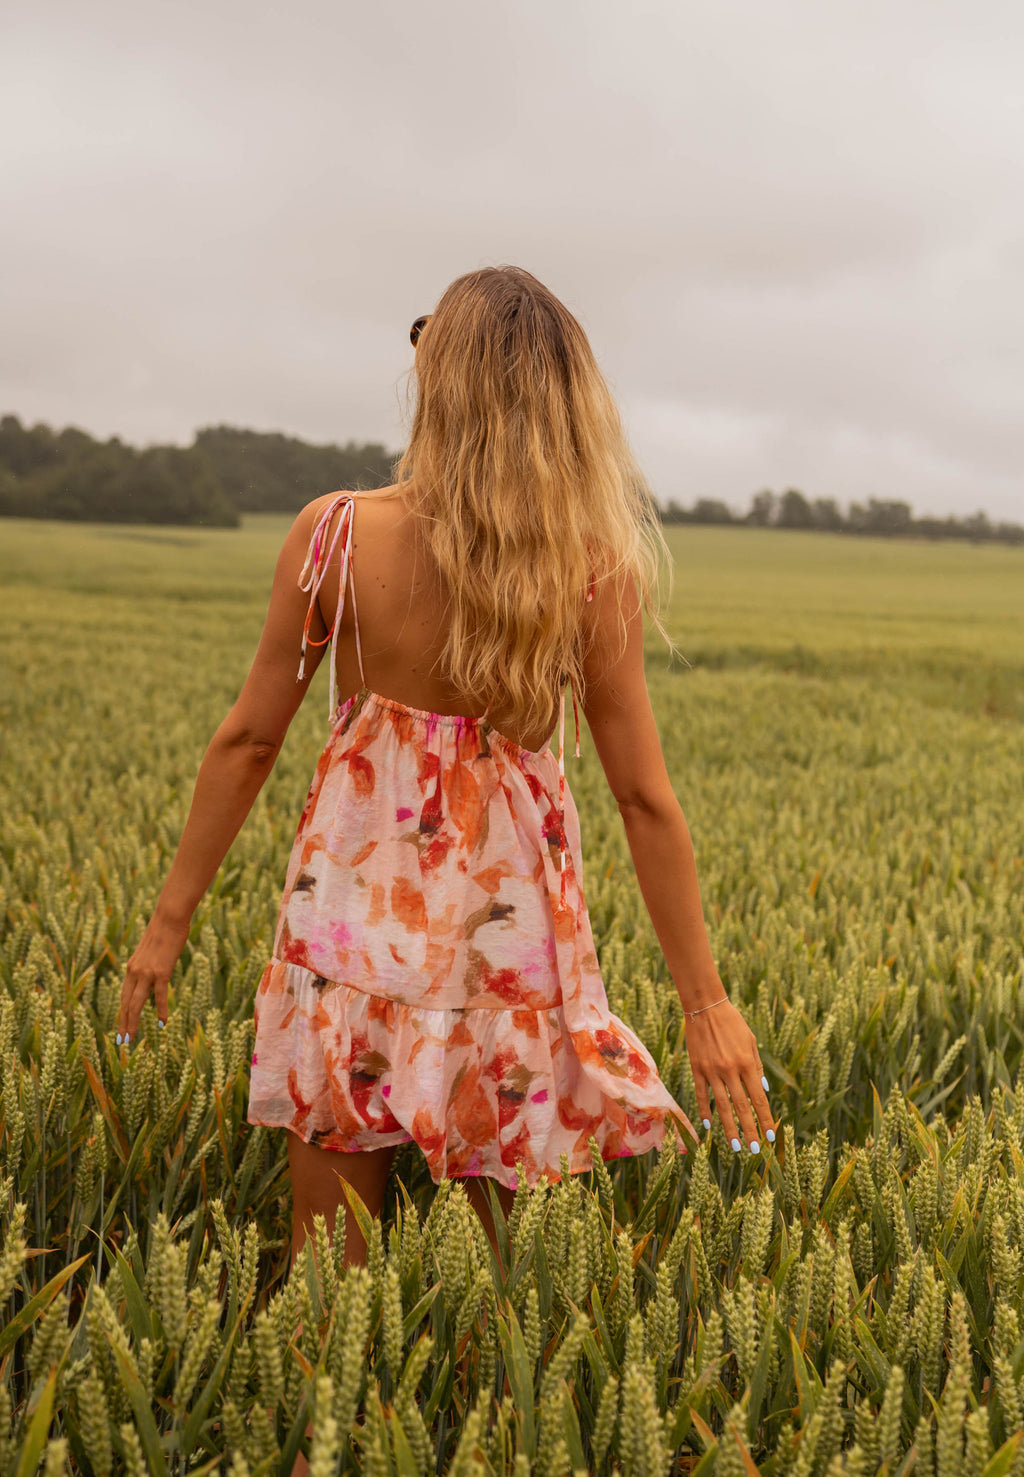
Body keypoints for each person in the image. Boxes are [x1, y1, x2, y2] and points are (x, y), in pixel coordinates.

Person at [116, 265, 775, 1276]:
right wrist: (704, 1003)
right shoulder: (590, 567)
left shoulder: (333, 533)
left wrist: (166, 926)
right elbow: (643, 797)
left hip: (346, 940)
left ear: (441, 378)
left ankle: (315, 1438)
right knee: (488, 1294)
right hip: (505, 960)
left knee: (325, 1274)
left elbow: (249, 740)